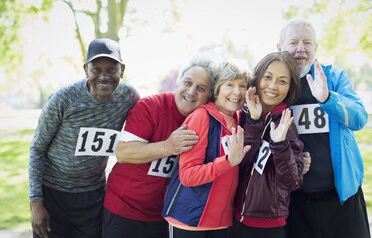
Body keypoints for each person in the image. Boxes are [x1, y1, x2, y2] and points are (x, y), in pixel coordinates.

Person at [29, 38, 140, 238]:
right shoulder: (64, 99)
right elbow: (37, 148)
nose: (104, 76)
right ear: (86, 69)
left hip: (93, 196)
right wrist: (36, 204)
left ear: (122, 70)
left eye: (112, 69)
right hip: (52, 193)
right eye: (96, 69)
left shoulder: (129, 97)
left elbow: (143, 131)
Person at [102, 57, 218, 238]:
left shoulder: (208, 121)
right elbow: (123, 152)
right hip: (124, 211)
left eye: (201, 88)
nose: (192, 91)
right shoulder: (151, 106)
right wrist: (168, 146)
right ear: (178, 83)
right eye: (187, 83)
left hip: (165, 216)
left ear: (209, 95)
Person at [277, 18, 370, 238]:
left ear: (315, 48)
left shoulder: (333, 77)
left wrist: (327, 98)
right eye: (293, 42)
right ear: (280, 48)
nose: (300, 48)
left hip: (342, 198)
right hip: (295, 204)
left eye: (307, 43)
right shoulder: (276, 86)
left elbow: (359, 118)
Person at [162, 62, 250, 238]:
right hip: (188, 221)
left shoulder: (240, 119)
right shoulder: (201, 117)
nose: (237, 92)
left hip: (221, 223)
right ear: (216, 90)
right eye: (230, 85)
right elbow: (187, 176)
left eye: (243, 86)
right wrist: (227, 162)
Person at [229, 52, 304, 238]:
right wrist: (254, 122)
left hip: (269, 222)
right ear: (257, 78)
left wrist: (280, 145)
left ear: (290, 87)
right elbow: (241, 162)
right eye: (267, 77)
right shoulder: (241, 114)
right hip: (232, 216)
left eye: (282, 81)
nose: (272, 86)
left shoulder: (287, 124)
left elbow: (292, 181)